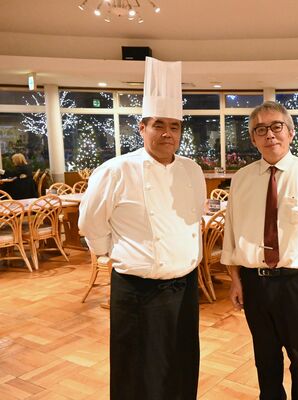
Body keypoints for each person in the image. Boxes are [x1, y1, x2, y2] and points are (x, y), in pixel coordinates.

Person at [78, 57, 206, 400]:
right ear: (142, 128)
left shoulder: (192, 170)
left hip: (185, 287)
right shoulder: (116, 170)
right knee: (137, 375)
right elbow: (90, 222)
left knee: (181, 368)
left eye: (174, 126)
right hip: (138, 291)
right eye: (158, 125)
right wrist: (112, 254)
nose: (167, 133)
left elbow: (194, 219)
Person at [221, 101, 298, 400]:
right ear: (253, 138)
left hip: (295, 283)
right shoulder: (242, 179)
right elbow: (232, 233)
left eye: (276, 127)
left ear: (290, 132)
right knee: (265, 356)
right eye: (260, 130)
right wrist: (235, 280)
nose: (270, 135)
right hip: (254, 281)